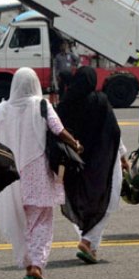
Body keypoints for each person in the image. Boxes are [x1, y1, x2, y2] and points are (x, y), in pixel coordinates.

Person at [0, 67, 81, 279]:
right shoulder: (41, 104)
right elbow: (57, 129)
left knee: (21, 220)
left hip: (12, 172)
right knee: (41, 219)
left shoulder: (4, 108)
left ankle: (26, 263)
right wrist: (75, 144)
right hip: (37, 171)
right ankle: (36, 264)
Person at [57, 66, 128, 264]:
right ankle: (88, 241)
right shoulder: (100, 100)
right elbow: (114, 131)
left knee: (81, 200)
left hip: (75, 163)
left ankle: (90, 245)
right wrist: (123, 155)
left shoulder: (66, 103)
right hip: (103, 161)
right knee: (108, 200)